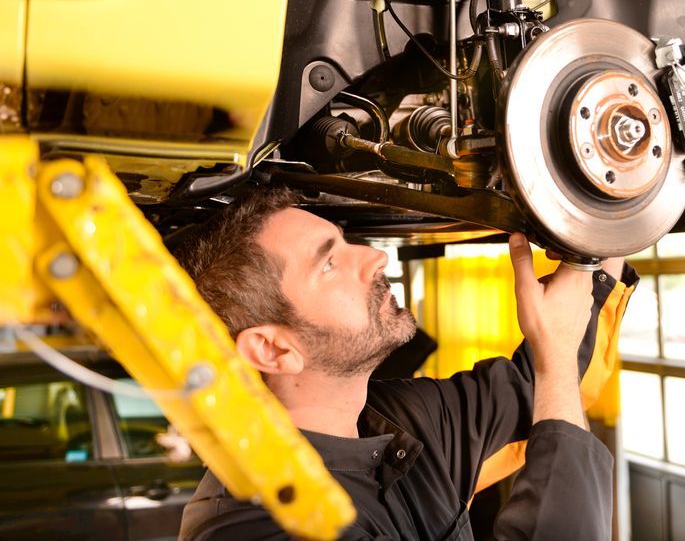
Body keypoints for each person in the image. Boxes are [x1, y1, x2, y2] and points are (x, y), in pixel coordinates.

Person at [176, 187, 637, 540]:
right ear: (273, 350)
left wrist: (594, 217)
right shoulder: (257, 525)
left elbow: (537, 388)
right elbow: (553, 367)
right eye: (329, 263)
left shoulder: (396, 420)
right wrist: (553, 356)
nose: (376, 257)